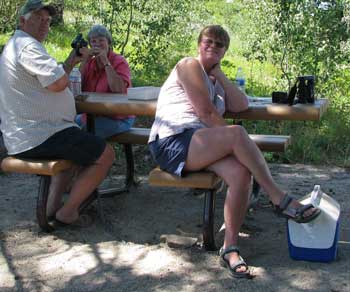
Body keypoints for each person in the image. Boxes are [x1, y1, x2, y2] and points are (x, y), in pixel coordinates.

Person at [148, 25, 321, 279]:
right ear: (199, 44)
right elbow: (206, 114)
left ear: (225, 51)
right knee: (237, 134)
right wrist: (235, 143)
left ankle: (230, 248)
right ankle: (279, 199)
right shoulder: (188, 65)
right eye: (209, 41)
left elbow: (241, 104)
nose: (213, 46)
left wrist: (220, 75)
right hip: (172, 141)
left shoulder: (214, 81)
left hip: (199, 142)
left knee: (241, 173)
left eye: (220, 45)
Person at [0, 0, 115, 225]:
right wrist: (66, 74)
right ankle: (69, 211)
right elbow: (58, 83)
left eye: (48, 20)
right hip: (40, 134)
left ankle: (52, 209)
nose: (44, 24)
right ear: (23, 21)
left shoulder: (15, 45)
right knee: (105, 154)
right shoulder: (27, 46)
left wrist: (71, 61)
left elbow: (51, 79)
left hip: (31, 132)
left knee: (73, 151)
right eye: (38, 19)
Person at [75, 24, 134, 139]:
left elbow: (119, 89)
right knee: (64, 126)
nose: (97, 44)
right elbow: (77, 86)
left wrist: (106, 62)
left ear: (108, 43)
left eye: (101, 40)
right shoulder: (90, 63)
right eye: (93, 41)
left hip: (118, 117)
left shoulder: (119, 61)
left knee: (84, 134)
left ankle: (101, 155)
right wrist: (85, 61)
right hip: (90, 115)